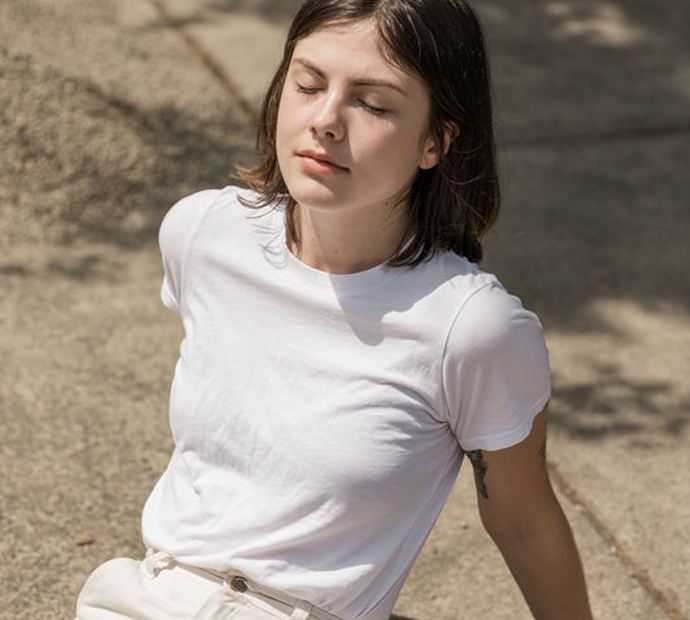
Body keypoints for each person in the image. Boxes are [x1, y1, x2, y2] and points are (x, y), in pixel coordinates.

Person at [74, 1, 593, 619]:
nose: (325, 120)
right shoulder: (202, 233)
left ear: (436, 141)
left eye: (373, 103)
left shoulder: (472, 331)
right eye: (309, 83)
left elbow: (525, 522)